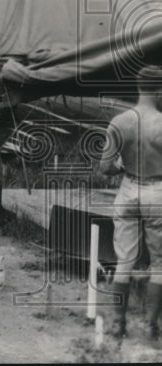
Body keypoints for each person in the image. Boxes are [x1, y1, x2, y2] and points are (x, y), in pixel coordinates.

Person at [98, 65, 162, 339]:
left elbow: (104, 167)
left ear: (138, 88)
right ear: (159, 90)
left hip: (127, 189)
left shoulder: (120, 121)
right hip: (157, 191)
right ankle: (149, 326)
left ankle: (116, 325)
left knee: (124, 260)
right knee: (160, 263)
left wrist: (123, 167)